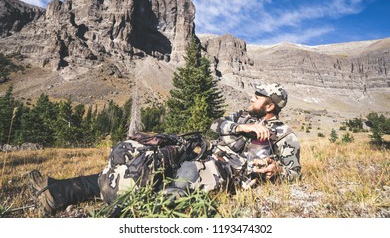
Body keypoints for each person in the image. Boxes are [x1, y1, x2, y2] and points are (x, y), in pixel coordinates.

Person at [28, 83, 301, 215]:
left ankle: (122, 216)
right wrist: (243, 128)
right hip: (202, 154)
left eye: (258, 95)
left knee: (175, 180)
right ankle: (58, 192)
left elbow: (294, 174)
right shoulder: (241, 117)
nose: (251, 96)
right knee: (145, 166)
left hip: (225, 172)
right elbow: (215, 124)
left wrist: (278, 169)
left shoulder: (285, 135)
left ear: (270, 106)